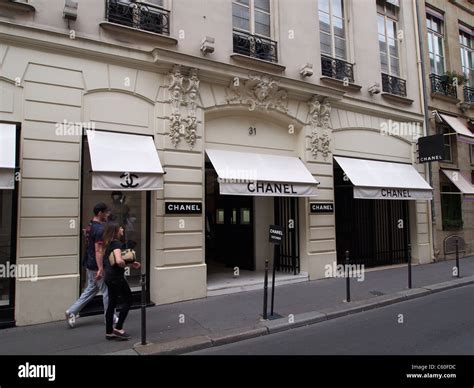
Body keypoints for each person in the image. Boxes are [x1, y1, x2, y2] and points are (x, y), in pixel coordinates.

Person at [65, 203, 117, 328]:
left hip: (89, 263)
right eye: (106, 212)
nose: (107, 215)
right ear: (100, 213)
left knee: (91, 289)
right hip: (96, 265)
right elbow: (98, 250)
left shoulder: (90, 226)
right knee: (107, 290)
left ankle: (71, 311)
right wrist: (100, 268)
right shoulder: (99, 229)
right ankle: (110, 317)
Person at [103, 221, 141, 340]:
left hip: (109, 276)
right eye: (120, 228)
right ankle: (118, 328)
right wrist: (127, 265)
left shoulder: (109, 243)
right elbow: (119, 261)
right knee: (129, 300)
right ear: (116, 230)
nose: (122, 230)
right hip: (116, 277)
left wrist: (131, 263)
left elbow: (114, 260)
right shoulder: (116, 244)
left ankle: (109, 332)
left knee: (112, 303)